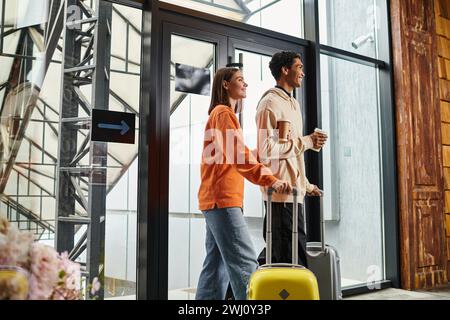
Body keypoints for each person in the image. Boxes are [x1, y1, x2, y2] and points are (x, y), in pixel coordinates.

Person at [196, 67, 292, 300]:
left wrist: (261, 153)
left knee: (215, 268)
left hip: (215, 201)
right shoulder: (223, 114)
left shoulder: (220, 116)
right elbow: (238, 156)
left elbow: (233, 154)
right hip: (223, 201)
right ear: (226, 85)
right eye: (240, 80)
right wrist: (270, 180)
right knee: (245, 265)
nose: (245, 84)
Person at [255, 51, 328, 267]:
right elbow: (266, 150)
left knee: (288, 253)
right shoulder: (269, 103)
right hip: (280, 195)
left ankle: (244, 288)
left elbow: (293, 154)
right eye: (299, 67)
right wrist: (306, 141)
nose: (303, 73)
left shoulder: (293, 104)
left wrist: (305, 185)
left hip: (295, 193)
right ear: (285, 70)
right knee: (289, 257)